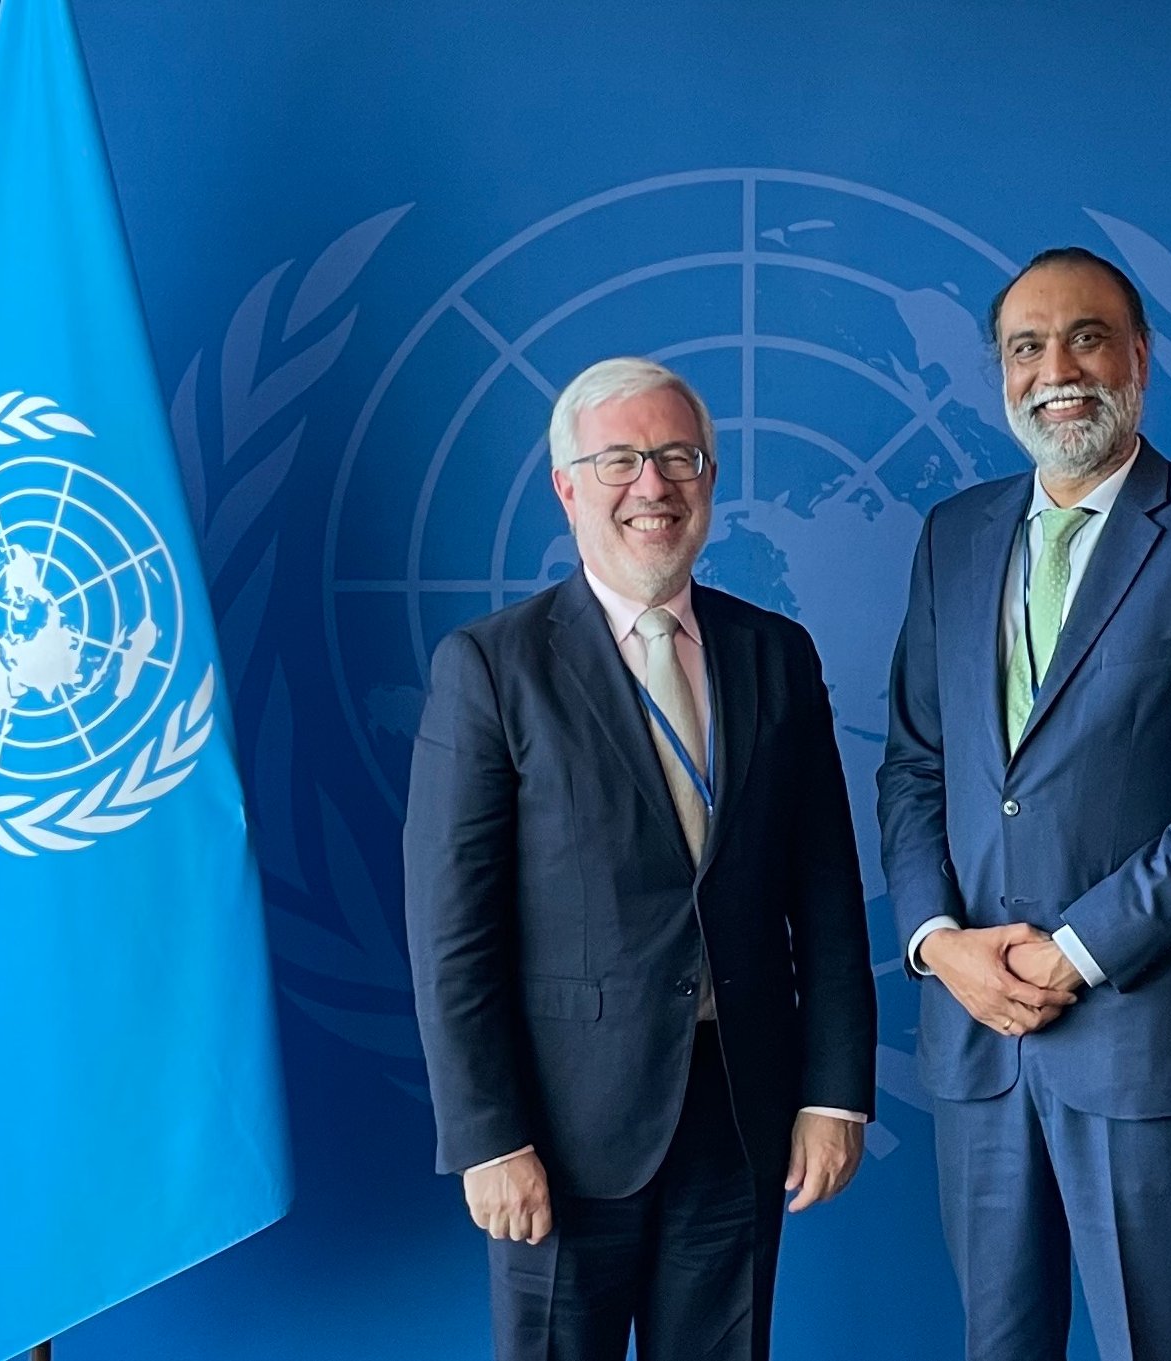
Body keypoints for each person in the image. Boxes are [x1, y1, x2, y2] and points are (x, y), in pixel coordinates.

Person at [878, 248, 1171, 1359]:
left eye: (1086, 338)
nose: (1056, 371)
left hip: (1137, 1032)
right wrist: (937, 943)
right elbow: (916, 764)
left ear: (1140, 358)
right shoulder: (953, 536)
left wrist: (1076, 950)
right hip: (976, 1034)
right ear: (1001, 372)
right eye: (1026, 347)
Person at [405, 357, 877, 1361]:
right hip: (560, 1132)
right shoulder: (491, 666)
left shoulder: (775, 653)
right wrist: (487, 1136)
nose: (652, 484)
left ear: (709, 478)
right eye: (619, 460)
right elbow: (452, 932)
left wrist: (833, 1092)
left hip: (740, 1113)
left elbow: (828, 896)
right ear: (567, 486)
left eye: (677, 457)